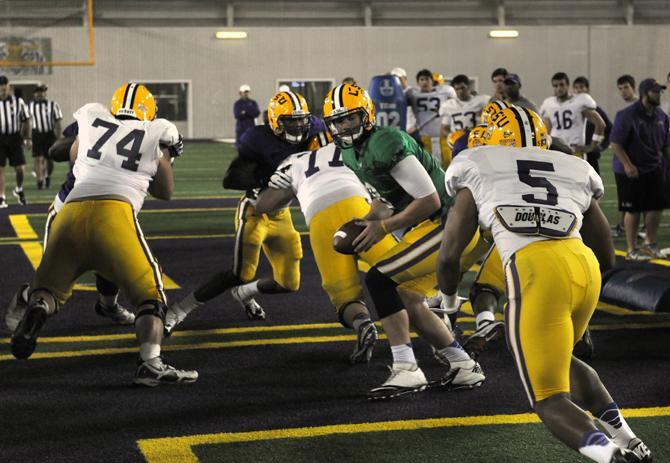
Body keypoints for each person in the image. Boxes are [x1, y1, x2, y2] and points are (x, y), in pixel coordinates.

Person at [437, 105, 652, 463]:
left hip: (535, 271)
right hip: (584, 268)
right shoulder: (570, 164)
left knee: (548, 398)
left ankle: (611, 457)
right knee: (562, 361)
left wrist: (447, 303)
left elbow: (449, 256)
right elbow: (606, 252)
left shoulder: (475, 162)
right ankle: (629, 438)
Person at [10, 82, 197, 386]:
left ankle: (38, 310)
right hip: (115, 214)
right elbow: (166, 192)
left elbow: (73, 154)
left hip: (70, 210)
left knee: (49, 290)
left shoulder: (93, 119)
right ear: (148, 111)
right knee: (150, 293)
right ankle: (150, 363)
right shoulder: (157, 130)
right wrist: (165, 155)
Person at [323, 83, 485, 399]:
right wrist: (370, 218)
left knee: (380, 280)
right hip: (435, 226)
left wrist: (384, 227)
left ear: (366, 114)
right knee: (408, 297)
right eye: (338, 121)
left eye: (351, 118)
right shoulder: (350, 153)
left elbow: (431, 199)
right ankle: (462, 365)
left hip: (453, 224)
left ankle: (406, 368)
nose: (345, 126)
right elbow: (388, 199)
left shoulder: (385, 141)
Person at [165, 90, 329, 332]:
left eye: (300, 120)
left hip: (283, 215)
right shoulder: (258, 138)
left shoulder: (316, 129)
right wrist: (266, 176)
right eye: (289, 121)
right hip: (254, 210)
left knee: (289, 283)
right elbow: (230, 179)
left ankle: (244, 294)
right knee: (241, 272)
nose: (296, 126)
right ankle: (179, 310)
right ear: (274, 121)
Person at [254, 141, 401, 364]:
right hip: (357, 206)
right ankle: (440, 326)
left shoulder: (293, 161)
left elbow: (263, 204)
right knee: (404, 273)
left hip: (319, 216)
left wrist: (276, 184)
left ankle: (362, 323)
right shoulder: (345, 148)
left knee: (343, 293)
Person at [4, 121, 137, 332]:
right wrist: (84, 140)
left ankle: (108, 306)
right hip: (69, 208)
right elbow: (55, 151)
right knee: (53, 278)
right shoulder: (93, 121)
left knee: (111, 264)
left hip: (107, 210)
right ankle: (26, 297)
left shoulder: (143, 130)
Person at [610, 78, 670, 260]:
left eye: (659, 91)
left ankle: (649, 244)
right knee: (633, 209)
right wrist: (628, 165)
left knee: (656, 206)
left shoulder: (662, 116)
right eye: (655, 92)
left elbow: (666, 146)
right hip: (629, 169)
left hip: (653, 167)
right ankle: (632, 249)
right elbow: (615, 143)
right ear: (644, 94)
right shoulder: (627, 115)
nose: (658, 94)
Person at [540, 72, 606, 159]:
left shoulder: (579, 100)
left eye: (562, 85)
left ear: (568, 85)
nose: (559, 88)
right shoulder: (549, 103)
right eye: (555, 86)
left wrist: (592, 146)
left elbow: (600, 124)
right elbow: (546, 129)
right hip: (556, 150)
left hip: (575, 151)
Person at [406, 69, 456, 168]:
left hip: (443, 137)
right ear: (418, 82)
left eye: (427, 79)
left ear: (432, 81)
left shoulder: (445, 91)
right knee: (427, 166)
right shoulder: (413, 94)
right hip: (424, 137)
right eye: (422, 79)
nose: (425, 82)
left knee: (448, 163)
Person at [611, 75, 639, 238]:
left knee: (638, 196)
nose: (623, 92)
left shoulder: (639, 107)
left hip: (635, 159)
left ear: (633, 87)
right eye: (620, 89)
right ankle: (624, 225)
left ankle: (630, 227)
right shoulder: (622, 109)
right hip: (623, 161)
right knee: (626, 197)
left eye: (626, 87)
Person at [0, 75, 31, 207]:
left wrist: (27, 137)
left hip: (14, 137)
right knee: (0, 168)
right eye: (1, 90)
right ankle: (1, 197)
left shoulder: (18, 102)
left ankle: (18, 189)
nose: (3, 92)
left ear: (9, 88)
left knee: (20, 169)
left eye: (5, 89)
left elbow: (26, 120)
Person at [573, 76, 612, 174]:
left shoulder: (596, 110)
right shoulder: (570, 110)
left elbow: (610, 128)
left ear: (587, 89)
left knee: (594, 185)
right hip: (575, 153)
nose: (579, 90)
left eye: (581, 87)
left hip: (590, 154)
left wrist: (602, 145)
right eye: (576, 88)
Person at [28, 83, 62, 190]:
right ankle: (40, 180)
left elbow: (58, 121)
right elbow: (26, 122)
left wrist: (58, 136)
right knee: (38, 159)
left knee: (50, 159)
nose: (40, 94)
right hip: (36, 134)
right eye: (38, 92)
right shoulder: (29, 106)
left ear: (45, 93)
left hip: (49, 134)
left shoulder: (53, 105)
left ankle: (47, 176)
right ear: (34, 94)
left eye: (42, 91)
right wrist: (27, 137)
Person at [440, 74, 490, 141]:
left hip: (476, 140)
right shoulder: (448, 105)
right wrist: (452, 136)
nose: (460, 91)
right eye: (457, 89)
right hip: (457, 142)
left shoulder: (480, 100)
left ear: (468, 87)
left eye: (463, 88)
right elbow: (444, 128)